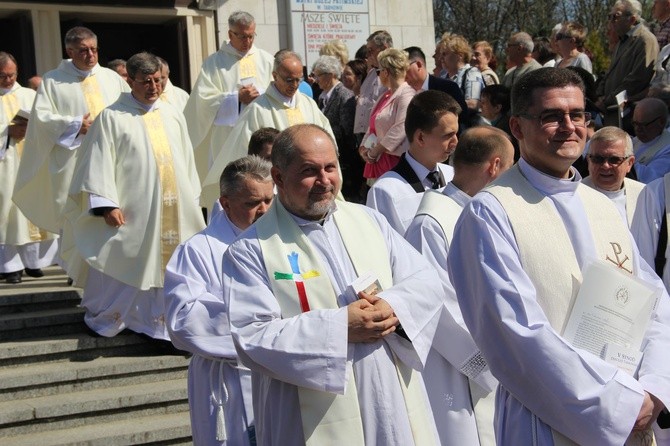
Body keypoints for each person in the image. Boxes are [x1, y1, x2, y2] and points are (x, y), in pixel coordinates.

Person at [448, 67, 670, 445]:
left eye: (577, 115)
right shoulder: (492, 211)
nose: (569, 126)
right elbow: (516, 335)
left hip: (634, 406)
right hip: (546, 417)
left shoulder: (601, 205)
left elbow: (653, 303)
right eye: (551, 116)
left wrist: (654, 387)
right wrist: (617, 404)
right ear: (517, 127)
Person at [222, 123, 443, 445]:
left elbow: (424, 280)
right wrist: (340, 327)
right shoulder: (251, 249)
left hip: (388, 393)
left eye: (330, 167)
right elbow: (252, 334)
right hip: (308, 411)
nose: (324, 181)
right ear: (279, 178)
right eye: (309, 170)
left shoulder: (369, 220)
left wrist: (393, 305)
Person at [63, 52, 205, 340]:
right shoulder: (112, 117)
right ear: (130, 80)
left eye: (159, 80)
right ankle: (117, 316)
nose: (154, 87)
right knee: (128, 259)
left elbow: (186, 159)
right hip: (133, 208)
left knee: (171, 263)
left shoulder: (172, 113)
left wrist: (191, 196)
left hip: (173, 206)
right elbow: (96, 162)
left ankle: (162, 325)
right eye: (146, 81)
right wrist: (106, 204)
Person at [405, 126, 515, 446]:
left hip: (504, 355)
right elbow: (437, 305)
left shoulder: (489, 213)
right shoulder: (432, 221)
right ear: (494, 166)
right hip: (460, 367)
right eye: (509, 169)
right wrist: (492, 361)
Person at [165, 155, 274, 446]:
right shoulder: (197, 250)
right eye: (253, 203)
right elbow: (183, 320)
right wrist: (266, 326)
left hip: (281, 378)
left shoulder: (283, 241)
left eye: (268, 200)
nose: (264, 210)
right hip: (230, 380)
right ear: (225, 203)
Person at [13, 26, 129, 238]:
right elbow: (41, 118)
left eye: (94, 49)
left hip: (111, 158)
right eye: (83, 50)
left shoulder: (112, 79)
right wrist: (75, 125)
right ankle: (76, 270)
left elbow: (128, 111)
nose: (91, 55)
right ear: (70, 52)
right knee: (75, 219)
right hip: (73, 160)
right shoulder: (53, 80)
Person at [202, 50, 333, 207]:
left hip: (314, 183)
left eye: (299, 80)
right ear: (275, 75)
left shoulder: (308, 104)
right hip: (279, 188)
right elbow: (244, 152)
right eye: (289, 80)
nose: (295, 85)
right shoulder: (257, 109)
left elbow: (328, 141)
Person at [184, 11, 274, 192]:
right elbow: (202, 101)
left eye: (251, 36)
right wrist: (236, 98)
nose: (247, 42)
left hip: (262, 133)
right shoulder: (214, 63)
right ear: (230, 34)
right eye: (242, 36)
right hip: (227, 137)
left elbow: (277, 92)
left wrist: (262, 94)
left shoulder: (267, 60)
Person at [366, 90, 458, 234]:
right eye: (447, 135)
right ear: (420, 138)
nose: (455, 142)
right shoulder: (386, 192)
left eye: (456, 133)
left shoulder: (453, 175)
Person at [0, 52, 58, 284]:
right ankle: (10, 266)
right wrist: (6, 132)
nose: (8, 80)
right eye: (2, 76)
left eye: (11, 75)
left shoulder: (30, 95)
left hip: (31, 163)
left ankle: (35, 263)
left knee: (32, 211)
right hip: (6, 167)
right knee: (7, 215)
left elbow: (47, 123)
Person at [596, 0, 658, 127]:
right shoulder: (621, 42)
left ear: (632, 19)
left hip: (630, 113)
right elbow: (610, 72)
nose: (611, 21)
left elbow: (638, 78)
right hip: (612, 110)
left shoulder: (645, 40)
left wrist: (609, 99)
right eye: (609, 16)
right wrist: (600, 94)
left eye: (615, 17)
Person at [359, 48, 416, 182]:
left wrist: (375, 151)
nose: (378, 76)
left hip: (394, 161)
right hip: (379, 160)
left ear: (386, 72)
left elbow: (401, 127)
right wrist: (363, 147)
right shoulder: (385, 95)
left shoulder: (407, 94)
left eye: (378, 71)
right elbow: (372, 125)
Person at [311, 55, 357, 200]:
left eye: (318, 76)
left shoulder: (344, 95)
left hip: (343, 158)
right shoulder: (323, 96)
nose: (316, 80)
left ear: (329, 75)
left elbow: (347, 131)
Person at [583, 126, 644, 228]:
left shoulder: (643, 195)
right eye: (598, 159)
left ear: (629, 163)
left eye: (614, 159)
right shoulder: (576, 196)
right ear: (589, 161)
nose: (605, 166)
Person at [403, 46, 469, 131]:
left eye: (404, 68)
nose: (402, 74)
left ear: (418, 65)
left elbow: (462, 120)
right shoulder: (403, 93)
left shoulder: (447, 88)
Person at [353, 31, 392, 147]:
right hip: (364, 135)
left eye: (371, 50)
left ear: (384, 48)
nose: (367, 55)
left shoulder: (393, 74)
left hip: (380, 137)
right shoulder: (371, 73)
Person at [440, 34, 485, 113]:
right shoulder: (443, 77)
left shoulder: (472, 73)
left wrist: (444, 108)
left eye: (445, 54)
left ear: (459, 55)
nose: (441, 58)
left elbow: (473, 104)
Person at [632, 97, 670, 183]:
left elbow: (652, 178)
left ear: (661, 122)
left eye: (643, 125)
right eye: (635, 123)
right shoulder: (637, 140)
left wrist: (622, 160)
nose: (638, 129)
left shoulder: (667, 149)